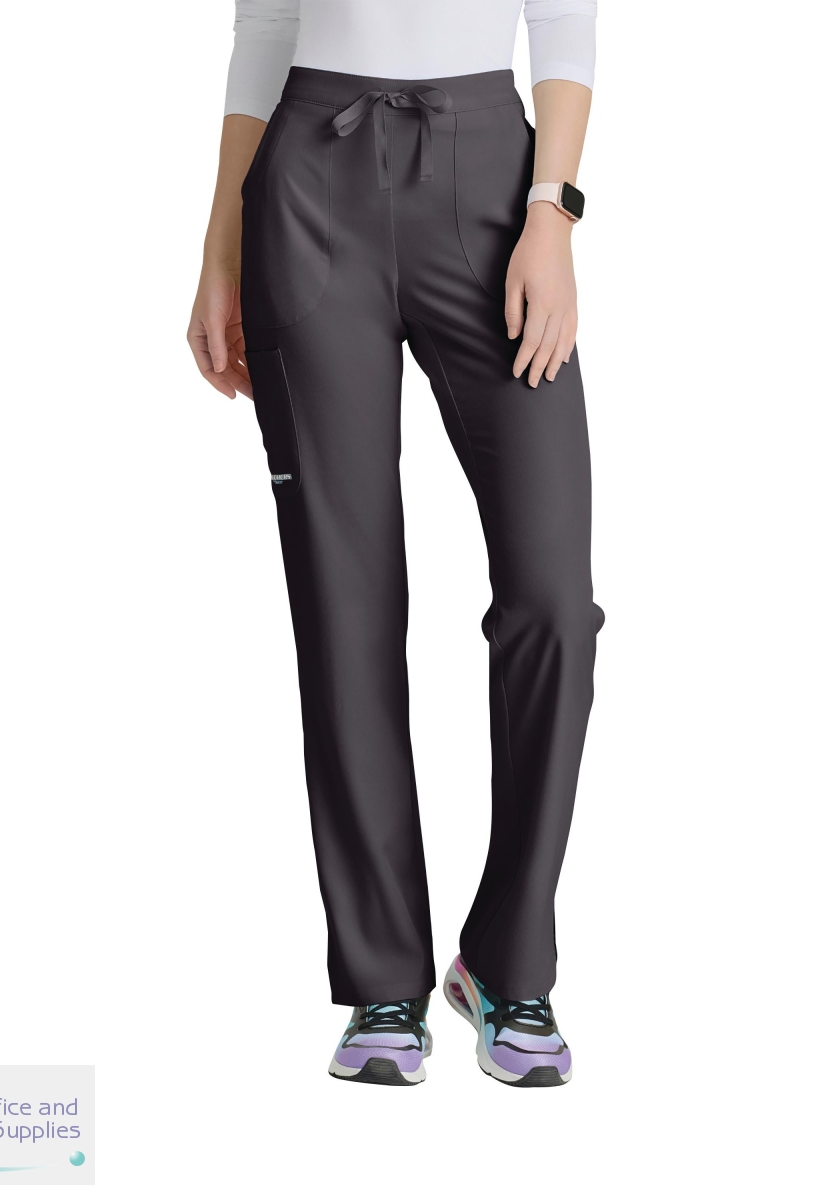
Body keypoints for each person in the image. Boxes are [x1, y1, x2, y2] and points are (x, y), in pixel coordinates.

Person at [188, 0, 604, 1087]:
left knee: (555, 601)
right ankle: (383, 980)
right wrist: (220, 243)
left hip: (493, 184)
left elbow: (565, 23)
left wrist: (553, 215)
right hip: (306, 187)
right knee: (345, 604)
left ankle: (508, 961)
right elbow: (265, 27)